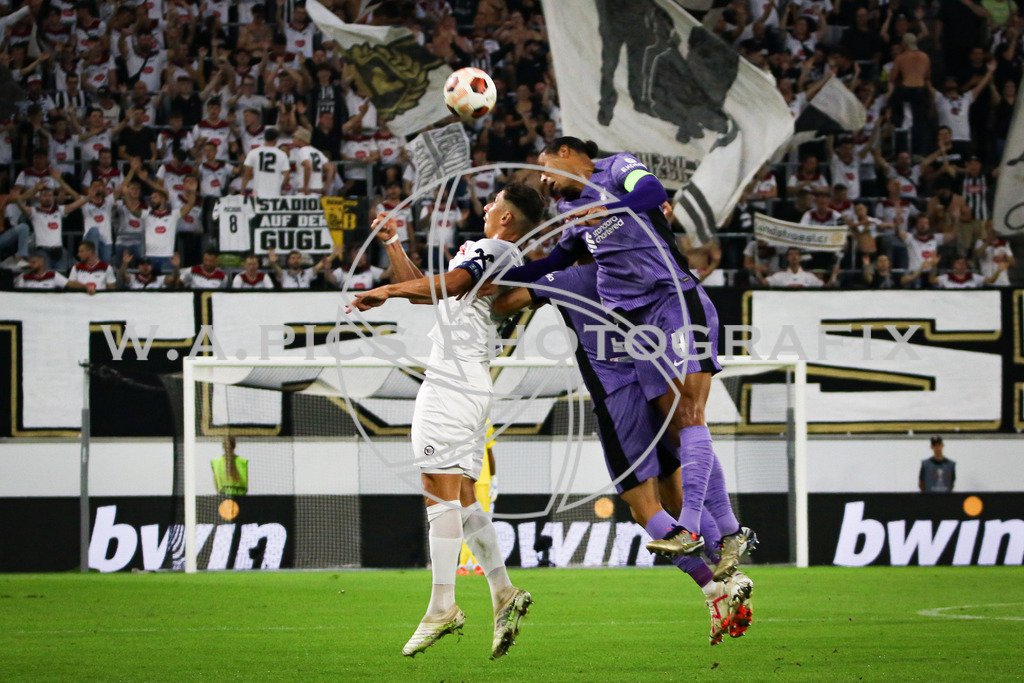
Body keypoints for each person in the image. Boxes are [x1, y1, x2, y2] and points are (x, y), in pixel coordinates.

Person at [505, 137, 749, 558]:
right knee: (675, 425)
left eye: (545, 168)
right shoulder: (570, 214)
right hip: (638, 326)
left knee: (690, 412)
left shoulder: (618, 168)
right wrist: (500, 274)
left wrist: (612, 208)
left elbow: (652, 192)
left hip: (673, 298)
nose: (543, 181)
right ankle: (728, 530)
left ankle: (691, 528)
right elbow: (557, 260)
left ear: (566, 154)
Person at [492, 263, 755, 645]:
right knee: (674, 491)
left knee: (642, 508)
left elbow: (503, 303)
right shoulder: (631, 269)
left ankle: (715, 589)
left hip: (618, 398)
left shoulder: (568, 276)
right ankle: (730, 574)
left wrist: (504, 274)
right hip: (656, 384)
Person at [350, 184, 544, 659]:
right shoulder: (499, 254)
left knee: (439, 492)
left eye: (493, 201)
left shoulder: (493, 247)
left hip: (451, 384)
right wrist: (394, 247)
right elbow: (430, 295)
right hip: (470, 382)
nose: (485, 206)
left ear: (506, 219)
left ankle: (442, 606)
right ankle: (502, 591)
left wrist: (387, 288)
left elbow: (451, 285)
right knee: (459, 494)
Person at [242, 128, 290, 198]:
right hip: (274, 193)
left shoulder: (253, 152)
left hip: (258, 193)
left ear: (264, 138)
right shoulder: (282, 154)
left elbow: (247, 174)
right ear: (276, 140)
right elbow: (287, 177)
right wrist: (280, 185)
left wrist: (243, 189)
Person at [267, 249, 332, 289]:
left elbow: (323, 262)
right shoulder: (283, 274)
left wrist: (334, 254)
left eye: (298, 258)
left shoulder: (308, 273)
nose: (296, 260)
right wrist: (271, 259)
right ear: (288, 260)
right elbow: (273, 265)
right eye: (293, 258)